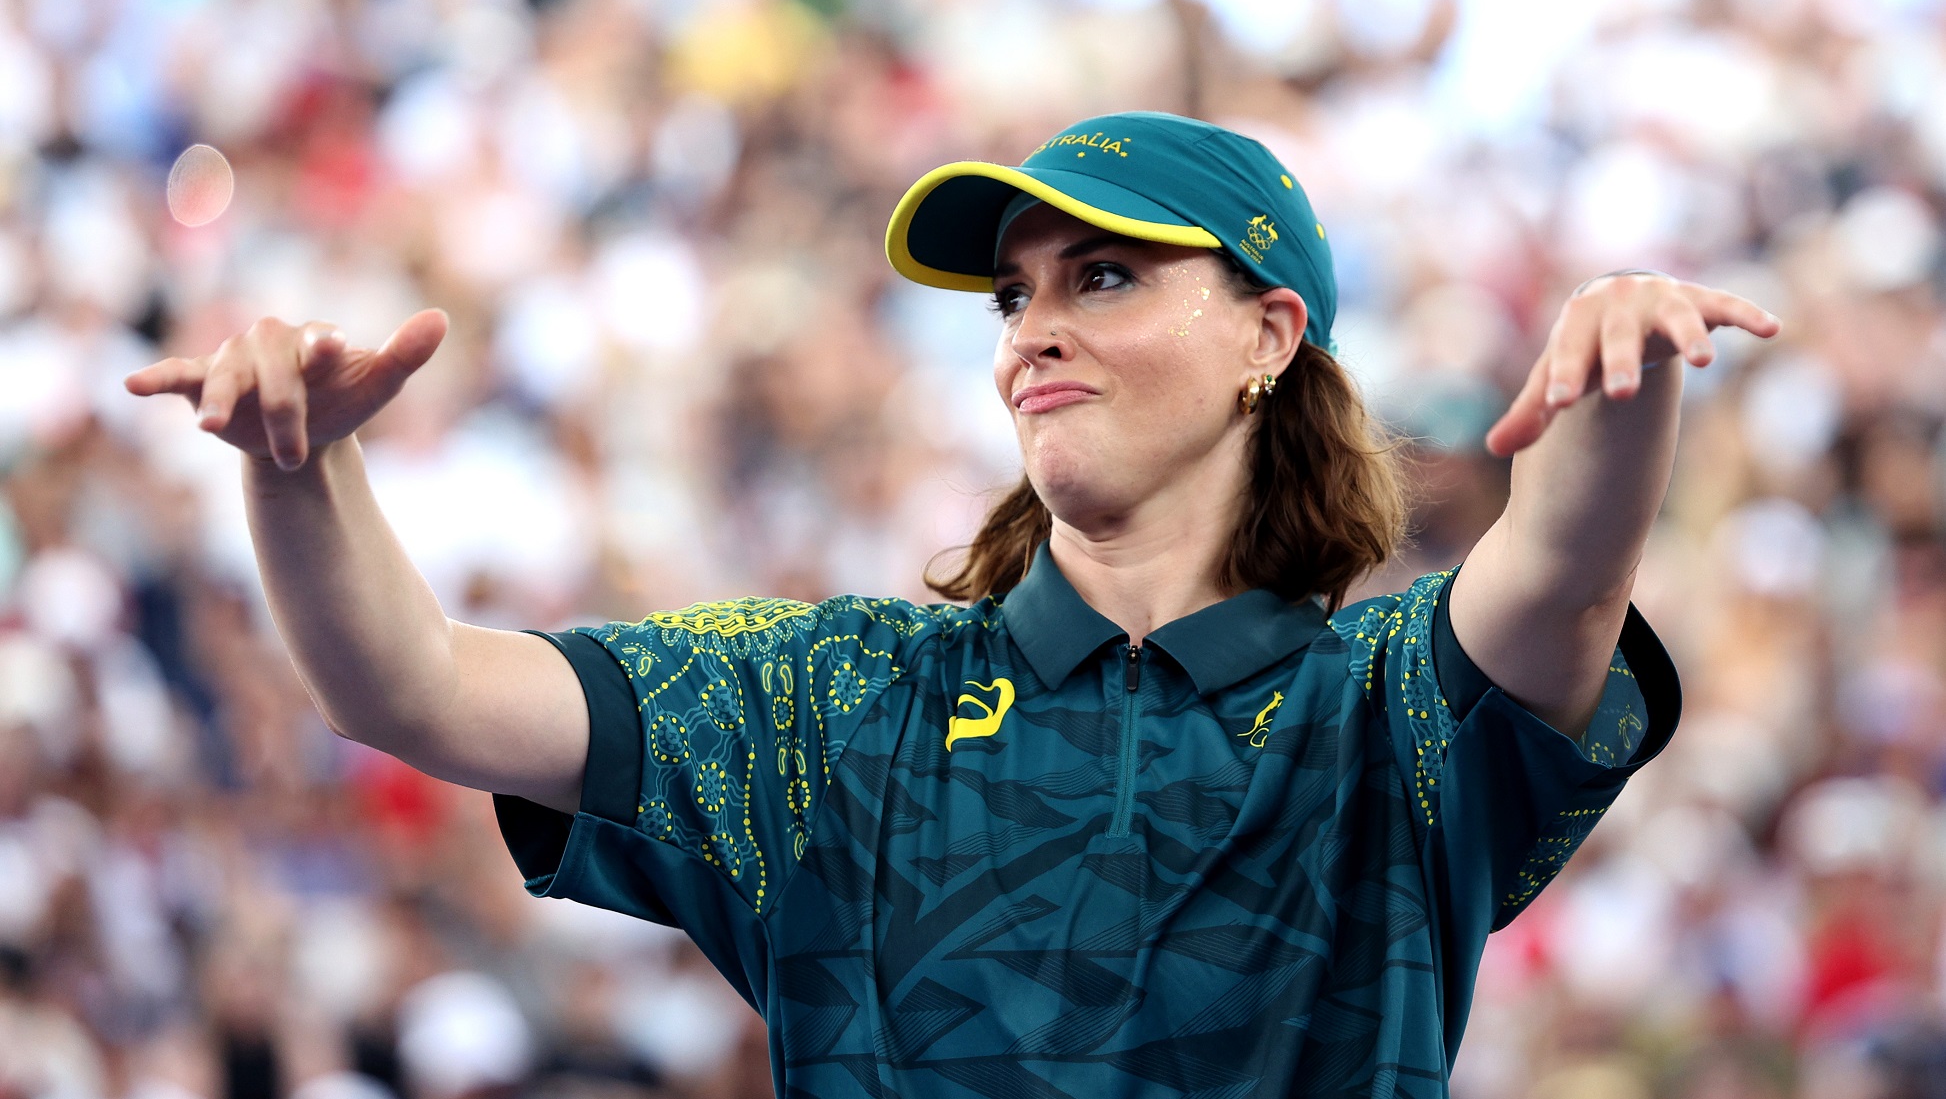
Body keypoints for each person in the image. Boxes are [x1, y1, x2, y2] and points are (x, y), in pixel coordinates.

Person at [125, 110, 1780, 1097]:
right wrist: (297, 468)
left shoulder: (1384, 705)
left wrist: (1624, 370)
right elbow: (412, 686)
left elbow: (1558, 579)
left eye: (1105, 276)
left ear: (1272, 336)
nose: (1028, 332)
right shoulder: (834, 700)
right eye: (1013, 294)